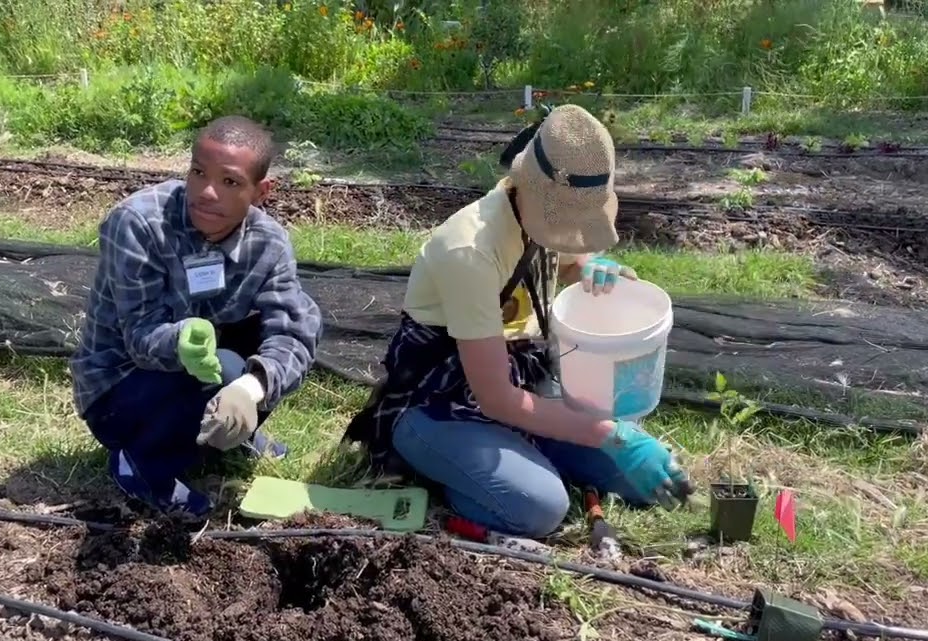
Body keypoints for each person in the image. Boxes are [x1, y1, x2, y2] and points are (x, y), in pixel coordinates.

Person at [344, 104, 690, 539]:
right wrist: (611, 435)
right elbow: (497, 400)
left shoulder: (532, 210)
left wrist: (591, 267)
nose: (572, 231)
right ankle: (442, 469)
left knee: (631, 480)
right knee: (540, 507)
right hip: (439, 402)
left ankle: (523, 455)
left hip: (520, 377)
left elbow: (570, 256)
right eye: (567, 219)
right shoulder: (469, 251)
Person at [70, 115, 322, 521]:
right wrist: (181, 341)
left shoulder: (269, 243)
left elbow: (293, 331)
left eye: (230, 182)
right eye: (198, 173)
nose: (207, 193)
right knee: (226, 367)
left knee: (275, 337)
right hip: (117, 388)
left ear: (261, 192)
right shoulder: (138, 223)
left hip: (196, 372)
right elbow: (139, 336)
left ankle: (232, 430)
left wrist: (251, 390)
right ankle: (141, 464)